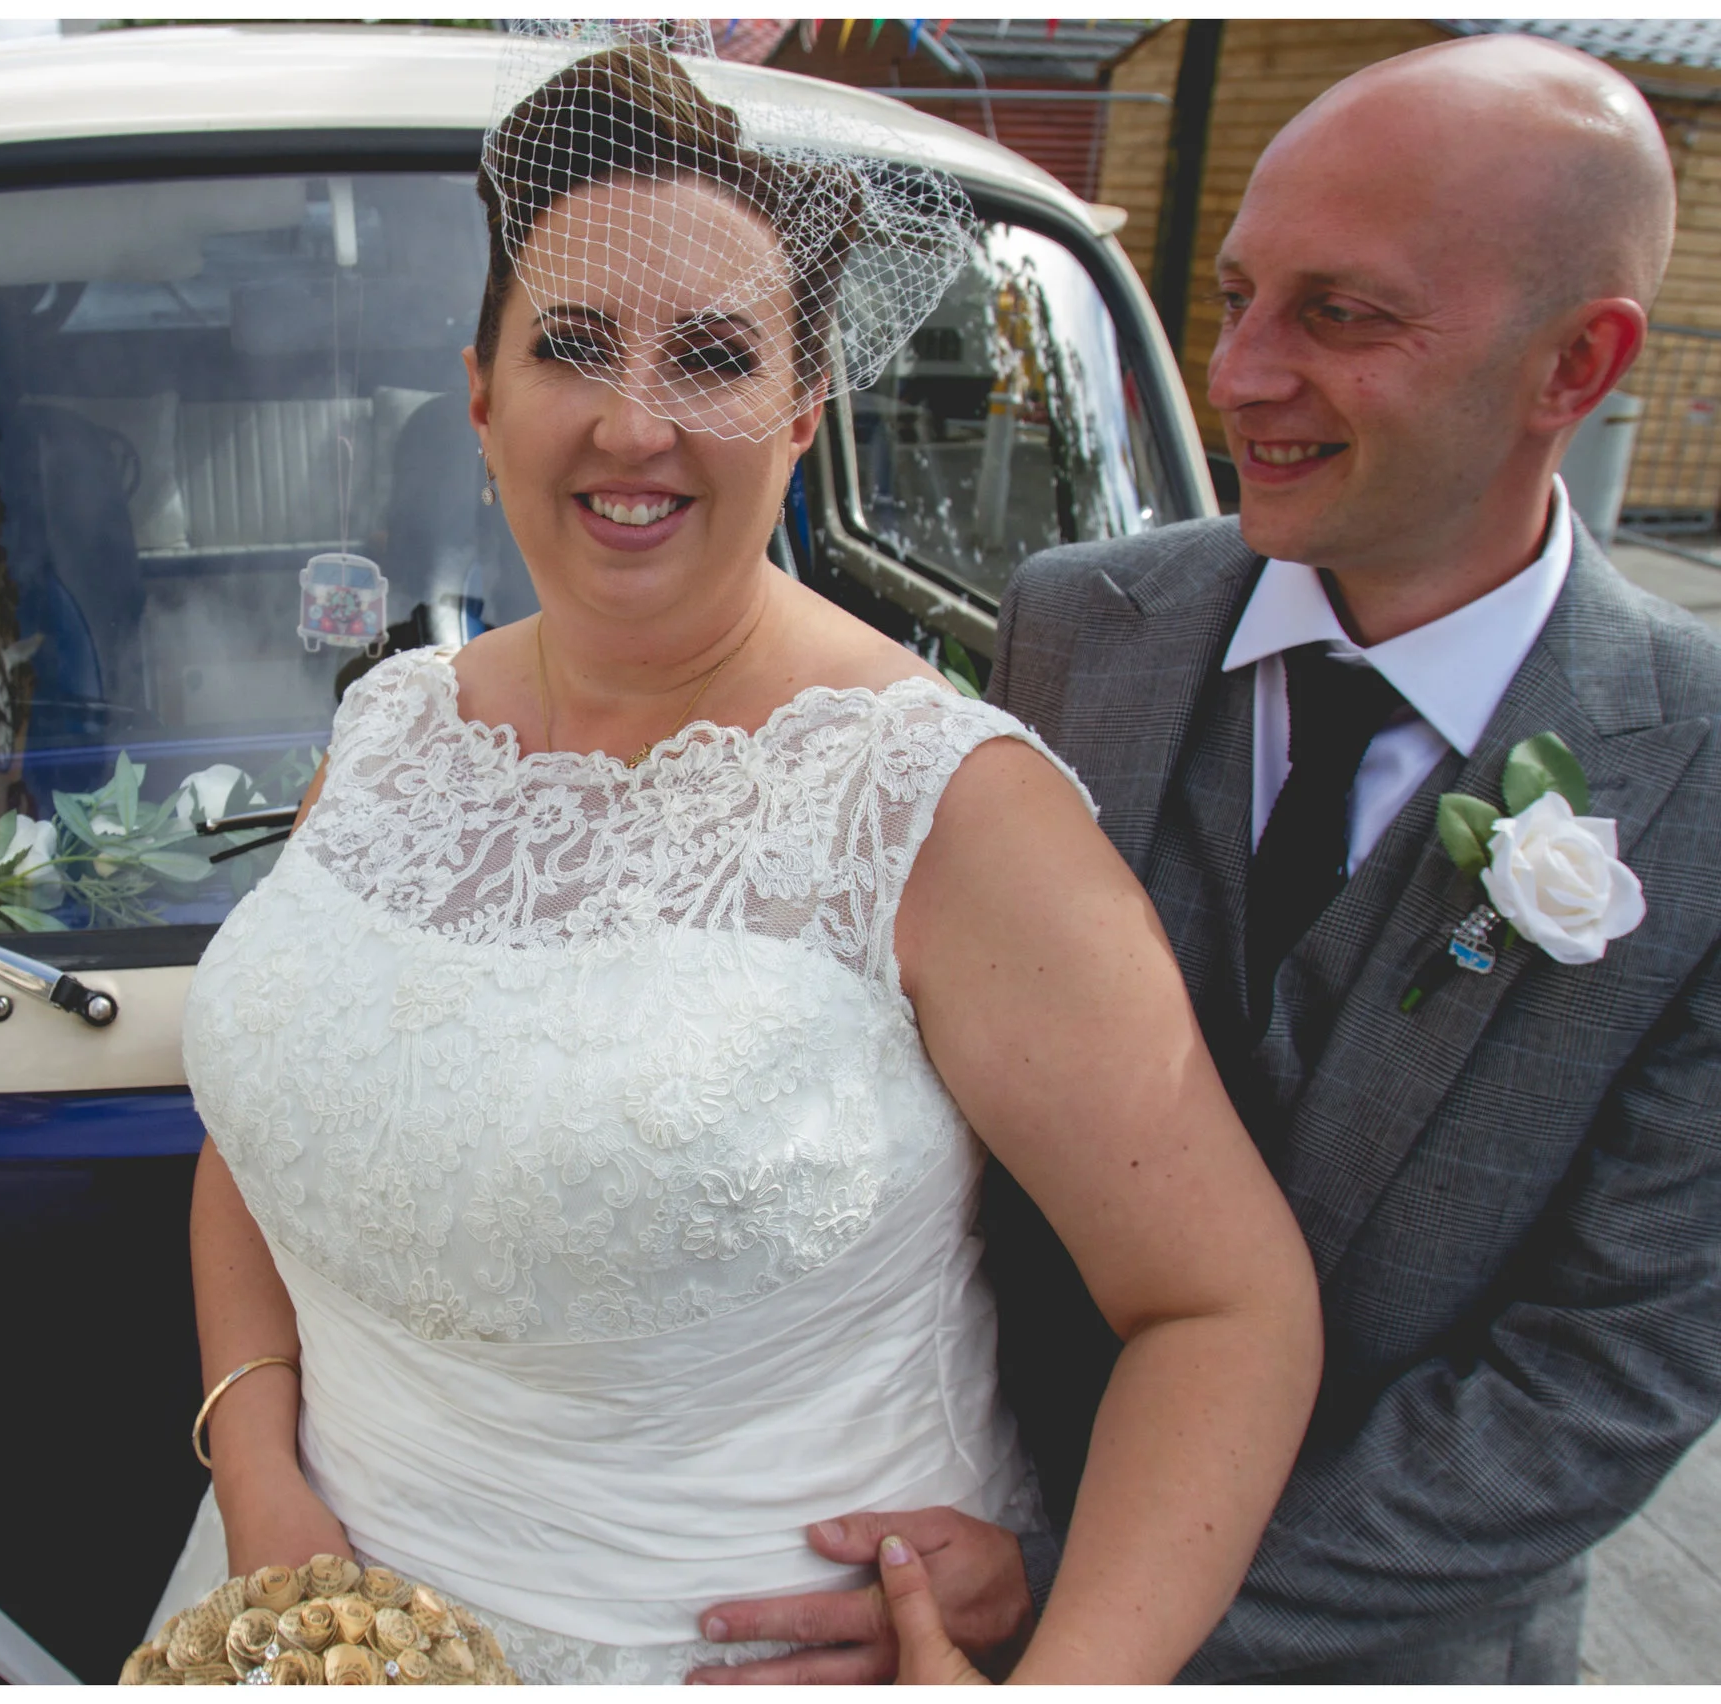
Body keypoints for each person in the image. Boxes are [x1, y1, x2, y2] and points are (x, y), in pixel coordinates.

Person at [151, 34, 1322, 1685]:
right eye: (573, 347)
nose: (637, 425)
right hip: (307, 1625)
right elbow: (263, 1134)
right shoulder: (397, 730)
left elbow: (1227, 1312)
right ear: (481, 396)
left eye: (712, 357)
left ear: (802, 410)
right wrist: (259, 1481)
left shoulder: (945, 806)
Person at [705, 32, 1721, 1685]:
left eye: (1341, 314)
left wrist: (1068, 1602)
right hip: (940, 1561)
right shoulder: (1075, 624)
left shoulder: (1700, 779)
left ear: (1576, 366)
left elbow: (1593, 1386)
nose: (1239, 373)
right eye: (1240, 293)